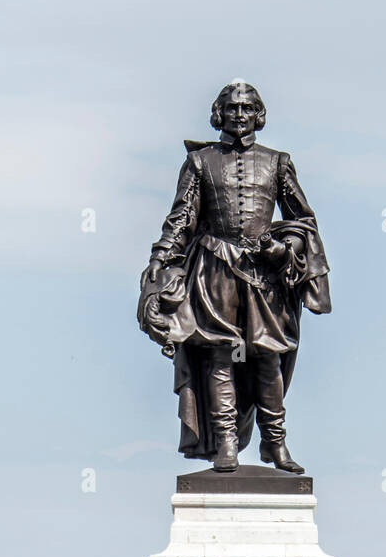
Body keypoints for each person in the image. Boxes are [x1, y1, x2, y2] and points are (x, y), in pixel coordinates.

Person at [138, 80, 330, 474]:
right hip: (214, 269)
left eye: (246, 108)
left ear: (258, 114)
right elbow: (182, 218)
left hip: (264, 277)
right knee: (220, 356)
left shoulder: (277, 162)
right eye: (231, 108)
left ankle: (274, 444)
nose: (238, 115)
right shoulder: (199, 162)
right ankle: (226, 442)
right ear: (218, 114)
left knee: (267, 358)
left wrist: (284, 249)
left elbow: (302, 220)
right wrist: (161, 256)